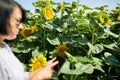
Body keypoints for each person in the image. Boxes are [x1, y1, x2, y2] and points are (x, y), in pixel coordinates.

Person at [0, 0, 59, 80]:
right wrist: (38, 77)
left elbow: (18, 76)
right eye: (17, 21)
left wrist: (42, 69)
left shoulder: (4, 47)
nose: (21, 27)